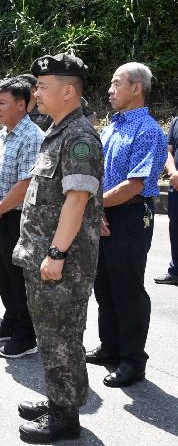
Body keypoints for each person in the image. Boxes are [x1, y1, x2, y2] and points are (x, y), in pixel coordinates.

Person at [13, 53, 103, 444]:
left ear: (68, 91)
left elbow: (77, 201)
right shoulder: (57, 130)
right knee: (50, 334)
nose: (36, 92)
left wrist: (57, 254)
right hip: (44, 257)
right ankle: (58, 399)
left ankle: (65, 418)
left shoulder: (79, 137)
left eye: (43, 86)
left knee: (63, 336)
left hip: (61, 263)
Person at [89, 62, 167, 388]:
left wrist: (95, 206)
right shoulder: (112, 126)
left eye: (116, 83)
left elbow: (135, 185)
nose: (110, 89)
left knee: (127, 288)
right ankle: (111, 347)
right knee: (104, 285)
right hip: (104, 211)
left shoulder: (147, 130)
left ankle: (134, 361)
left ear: (136, 88)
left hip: (132, 215)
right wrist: (97, 210)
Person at [0, 77, 44, 359]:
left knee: (19, 277)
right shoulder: (0, 135)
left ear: (22, 105)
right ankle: (11, 320)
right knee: (2, 273)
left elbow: (26, 183)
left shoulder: (32, 137)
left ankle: (27, 334)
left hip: (15, 218)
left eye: (3, 103)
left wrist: (0, 208)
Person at [155, 114, 178, 286]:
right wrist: (172, 172)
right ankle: (175, 270)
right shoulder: (176, 121)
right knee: (175, 228)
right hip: (176, 185)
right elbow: (168, 151)